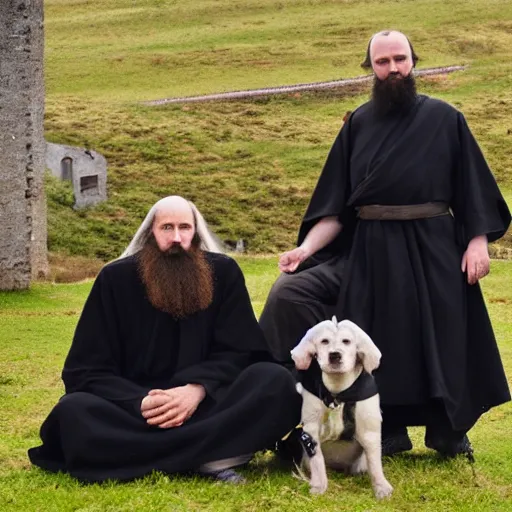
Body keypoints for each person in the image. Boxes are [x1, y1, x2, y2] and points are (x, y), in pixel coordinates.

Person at [260, 31, 511, 458]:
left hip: (434, 242)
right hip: (372, 247)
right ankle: (387, 426)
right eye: (382, 62)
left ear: (413, 61)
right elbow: (335, 207)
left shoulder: (446, 119)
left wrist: (477, 243)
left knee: (444, 336)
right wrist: (305, 250)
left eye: (400, 59)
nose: (392, 69)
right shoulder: (357, 124)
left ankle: (447, 431)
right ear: (370, 67)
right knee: (379, 336)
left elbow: (472, 190)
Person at [29, 196, 301, 483]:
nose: (176, 238)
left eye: (184, 227)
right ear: (150, 233)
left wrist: (197, 390)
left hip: (207, 406)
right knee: (73, 412)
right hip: (139, 413)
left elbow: (244, 352)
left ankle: (150, 457)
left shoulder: (223, 273)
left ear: (195, 232)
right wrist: (139, 401)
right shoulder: (115, 279)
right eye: (167, 228)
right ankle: (210, 456)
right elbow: (84, 371)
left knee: (276, 381)